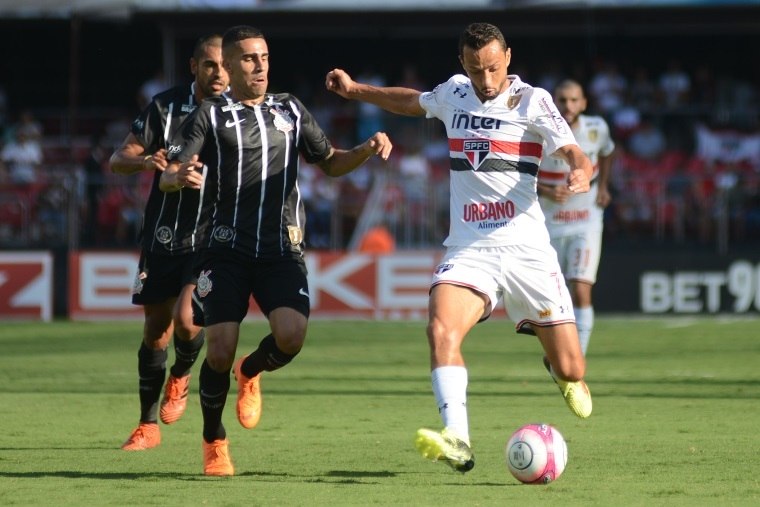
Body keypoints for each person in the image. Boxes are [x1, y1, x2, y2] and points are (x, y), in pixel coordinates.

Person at [326, 22, 594, 474]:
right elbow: (411, 102)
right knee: (440, 331)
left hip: (527, 250)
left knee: (572, 367)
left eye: (491, 68)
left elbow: (571, 150)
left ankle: (556, 367)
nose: (485, 81)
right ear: (462, 65)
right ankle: (458, 439)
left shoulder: (534, 100)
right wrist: (356, 91)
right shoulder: (454, 92)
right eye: (475, 70)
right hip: (470, 249)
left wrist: (581, 169)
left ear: (508, 56)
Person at [159, 25, 392, 476]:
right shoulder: (209, 114)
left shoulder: (290, 109)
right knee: (219, 348)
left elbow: (330, 162)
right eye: (248, 58)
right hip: (223, 249)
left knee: (291, 337)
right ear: (228, 65)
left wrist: (364, 149)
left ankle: (252, 370)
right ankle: (214, 440)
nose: (260, 65)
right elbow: (172, 170)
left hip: (280, 249)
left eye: (264, 56)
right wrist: (175, 178)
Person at [108, 34, 229, 451]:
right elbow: (117, 159)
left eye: (225, 65)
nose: (219, 73)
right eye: (210, 64)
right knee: (155, 330)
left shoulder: (238, 113)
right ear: (194, 67)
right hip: (162, 234)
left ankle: (181, 374)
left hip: (212, 237)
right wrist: (146, 161)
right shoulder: (165, 106)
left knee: (187, 319)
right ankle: (146, 425)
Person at [537, 79, 616, 356]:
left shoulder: (597, 128)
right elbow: (516, 171)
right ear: (553, 102)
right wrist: (546, 190)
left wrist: (603, 185)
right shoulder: (538, 130)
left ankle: (577, 359)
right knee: (551, 294)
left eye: (573, 100)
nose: (568, 106)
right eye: (562, 100)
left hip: (586, 219)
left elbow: (607, 153)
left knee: (581, 288)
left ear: (583, 103)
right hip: (547, 225)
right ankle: (556, 351)